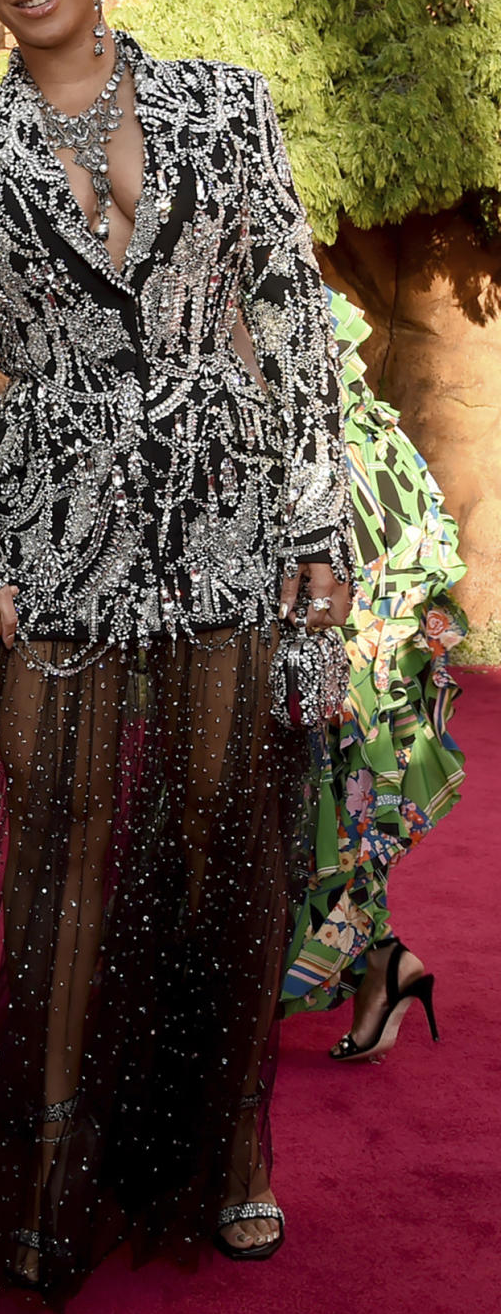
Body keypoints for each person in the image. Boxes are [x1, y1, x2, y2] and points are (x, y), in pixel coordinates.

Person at [0, 0, 352, 1307]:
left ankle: (229, 1152)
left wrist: (317, 520)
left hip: (222, 508)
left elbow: (289, 304)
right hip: (53, 534)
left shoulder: (221, 100)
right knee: (59, 860)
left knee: (223, 850)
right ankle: (48, 1165)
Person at [282, 289, 465, 1059]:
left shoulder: (335, 432)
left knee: (333, 819)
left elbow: (415, 556)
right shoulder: (370, 429)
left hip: (350, 660)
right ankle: (385, 964)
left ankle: (375, 963)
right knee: (334, 823)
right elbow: (432, 535)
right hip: (353, 654)